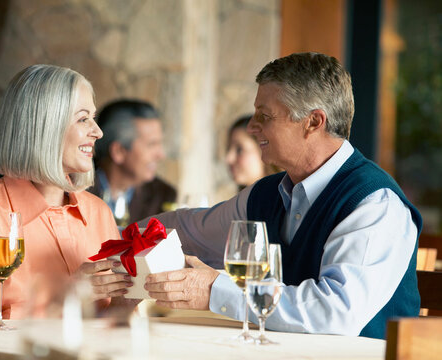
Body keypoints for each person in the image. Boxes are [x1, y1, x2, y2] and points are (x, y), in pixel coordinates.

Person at [84, 52, 422, 339]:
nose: (251, 127)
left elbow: (334, 314)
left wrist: (214, 291)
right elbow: (187, 231)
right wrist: (104, 242)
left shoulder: (373, 203)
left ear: (313, 122)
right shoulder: (266, 195)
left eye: (265, 116)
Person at [0, 64, 132, 319]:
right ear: (45, 127)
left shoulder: (98, 213)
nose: (98, 131)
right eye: (83, 118)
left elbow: (109, 325)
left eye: (93, 118)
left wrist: (129, 299)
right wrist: (62, 299)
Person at [88, 99, 177, 226]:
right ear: (118, 151)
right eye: (151, 145)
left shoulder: (162, 195)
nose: (161, 155)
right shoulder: (74, 189)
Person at [226, 114, 281, 191]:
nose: (229, 158)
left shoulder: (288, 200)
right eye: (228, 149)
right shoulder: (242, 201)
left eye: (239, 150)